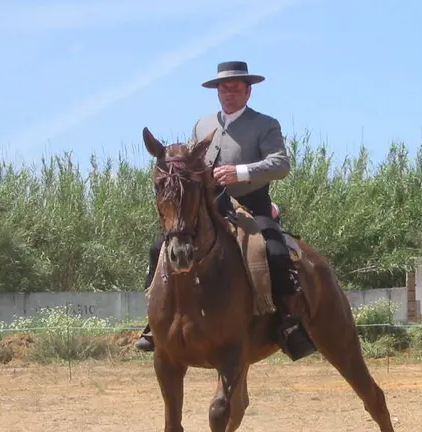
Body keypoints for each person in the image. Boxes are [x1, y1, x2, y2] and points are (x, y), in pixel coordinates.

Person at [134, 61, 316, 361]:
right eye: (223, 88)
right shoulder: (202, 125)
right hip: (210, 207)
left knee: (275, 251)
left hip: (252, 205)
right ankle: (155, 323)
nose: (228, 93)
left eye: (235, 88)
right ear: (217, 92)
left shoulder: (265, 124)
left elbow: (281, 164)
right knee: (158, 248)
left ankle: (288, 323)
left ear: (248, 91)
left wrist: (240, 172)